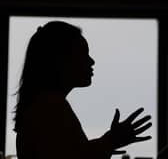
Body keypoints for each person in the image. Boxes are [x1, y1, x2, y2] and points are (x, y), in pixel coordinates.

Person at [13, 21, 152, 159]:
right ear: (61, 61)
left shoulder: (43, 105)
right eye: (83, 54)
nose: (91, 61)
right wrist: (110, 142)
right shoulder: (51, 108)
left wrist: (105, 144)